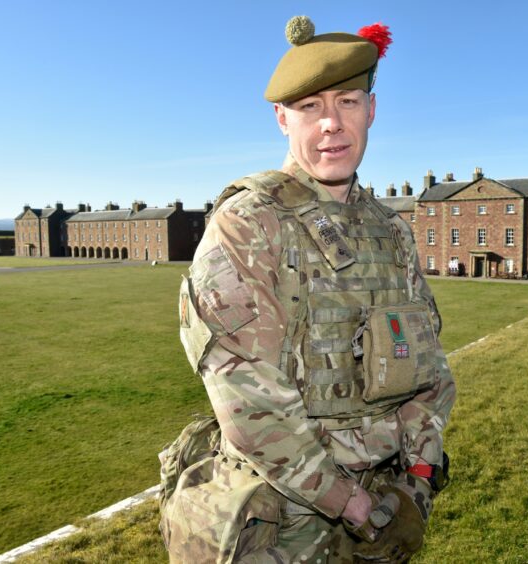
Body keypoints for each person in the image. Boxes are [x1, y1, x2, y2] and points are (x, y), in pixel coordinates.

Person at [161, 15, 456, 563]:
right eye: (310, 107)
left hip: (386, 503)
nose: (331, 125)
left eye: (346, 101)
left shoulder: (392, 231)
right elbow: (249, 400)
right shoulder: (249, 225)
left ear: (371, 110)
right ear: (281, 119)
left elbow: (429, 370)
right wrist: (355, 506)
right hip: (284, 522)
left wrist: (415, 482)